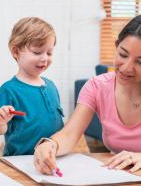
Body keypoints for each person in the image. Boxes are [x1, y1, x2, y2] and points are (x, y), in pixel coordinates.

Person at [34, 14, 141, 175]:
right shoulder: (97, 87)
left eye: (140, 61)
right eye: (123, 55)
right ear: (116, 46)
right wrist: (50, 144)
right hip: (118, 176)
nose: (126, 68)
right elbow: (70, 133)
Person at [0, 17, 64, 156]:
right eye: (37, 52)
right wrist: (0, 121)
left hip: (51, 157)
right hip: (21, 159)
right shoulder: (9, 89)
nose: (44, 58)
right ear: (15, 52)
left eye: (49, 53)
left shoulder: (51, 86)